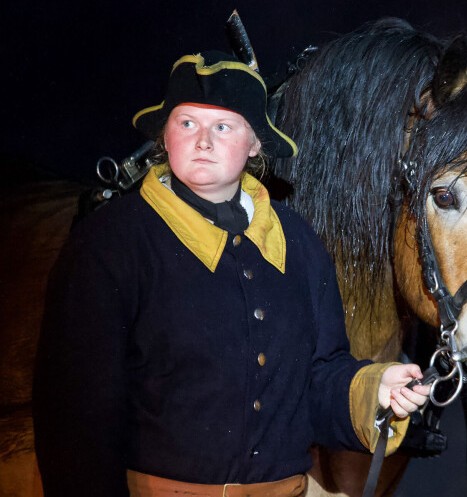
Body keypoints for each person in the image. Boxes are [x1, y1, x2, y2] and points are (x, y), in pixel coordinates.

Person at [33, 52, 430, 496]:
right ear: (165, 136)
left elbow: (316, 381)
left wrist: (373, 389)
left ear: (256, 143)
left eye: (222, 126)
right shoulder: (108, 243)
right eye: (187, 123)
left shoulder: (298, 243)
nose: (203, 140)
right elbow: (75, 420)